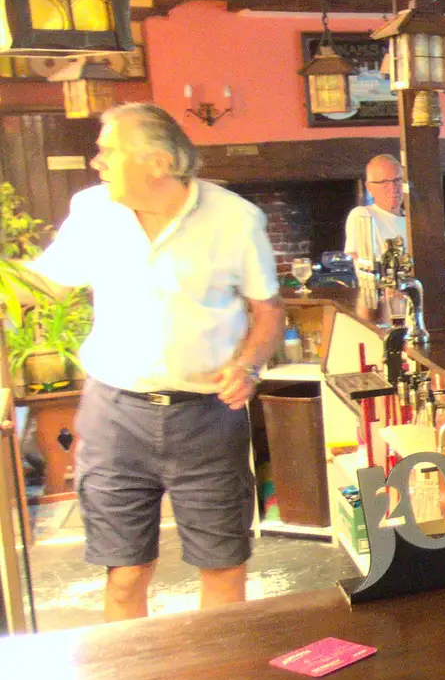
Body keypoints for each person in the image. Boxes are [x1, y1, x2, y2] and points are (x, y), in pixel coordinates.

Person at [29, 103, 283, 622]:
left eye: (109, 151)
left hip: (206, 418)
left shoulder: (235, 219)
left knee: (223, 569)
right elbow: (38, 286)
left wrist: (250, 364)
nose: (97, 161)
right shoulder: (92, 212)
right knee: (124, 574)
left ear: (158, 162)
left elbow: (268, 312)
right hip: (114, 415)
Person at [345, 154, 407, 266]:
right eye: (384, 181)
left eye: (397, 180)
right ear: (369, 187)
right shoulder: (363, 216)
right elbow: (364, 264)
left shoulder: (415, 220)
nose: (393, 187)